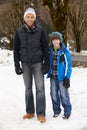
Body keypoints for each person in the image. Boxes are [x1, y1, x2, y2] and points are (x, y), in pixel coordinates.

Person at [13, 7, 49, 123]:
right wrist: (17, 65)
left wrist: (46, 63)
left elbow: (45, 47)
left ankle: (41, 113)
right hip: (25, 64)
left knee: (40, 89)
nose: (30, 19)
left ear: (34, 18)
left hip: (38, 63)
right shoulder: (19, 31)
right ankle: (30, 111)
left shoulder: (41, 30)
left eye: (32, 17)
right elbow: (16, 49)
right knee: (28, 89)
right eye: (28, 17)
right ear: (24, 18)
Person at [47, 31, 72, 119]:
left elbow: (69, 65)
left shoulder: (64, 52)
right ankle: (56, 110)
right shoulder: (49, 51)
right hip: (53, 77)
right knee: (53, 94)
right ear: (51, 41)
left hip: (62, 78)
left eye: (57, 39)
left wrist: (67, 77)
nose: (55, 41)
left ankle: (67, 111)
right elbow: (46, 61)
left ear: (60, 40)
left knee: (64, 95)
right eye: (53, 40)